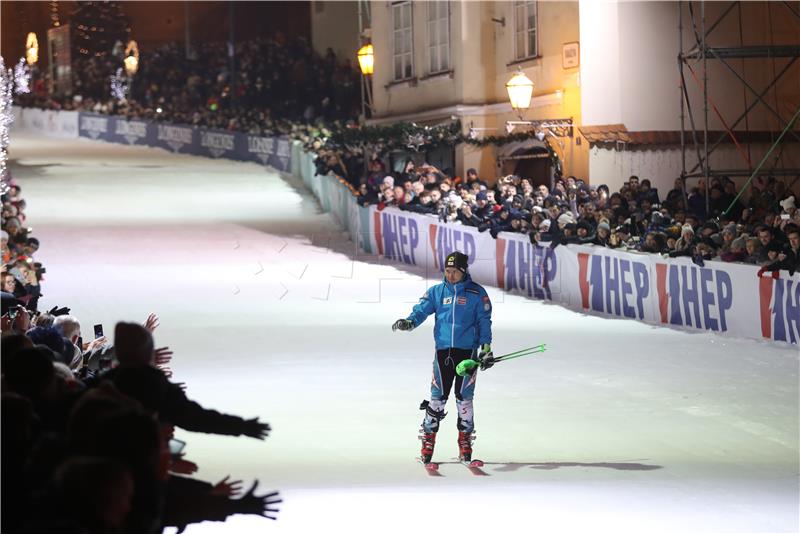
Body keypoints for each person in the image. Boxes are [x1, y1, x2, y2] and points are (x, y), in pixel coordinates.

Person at [391, 251, 493, 464]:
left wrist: (486, 348)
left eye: (455, 271)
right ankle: (428, 439)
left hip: (468, 354)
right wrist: (409, 322)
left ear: (463, 271)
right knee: (437, 398)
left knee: (464, 399)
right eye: (447, 271)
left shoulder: (477, 293)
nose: (450, 275)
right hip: (443, 353)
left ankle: (465, 441)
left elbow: (484, 321)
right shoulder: (437, 292)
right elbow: (421, 311)